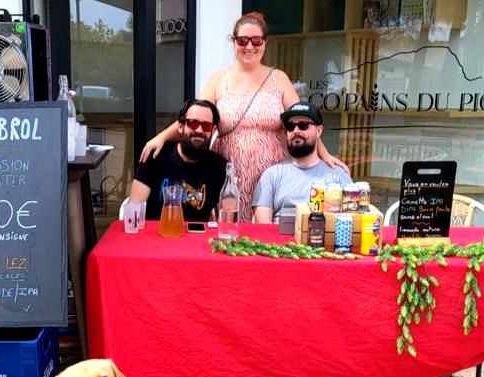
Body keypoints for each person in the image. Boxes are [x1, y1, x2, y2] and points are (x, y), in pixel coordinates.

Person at [140, 11, 347, 222]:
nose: (249, 46)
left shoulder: (279, 78)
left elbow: (302, 122)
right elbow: (196, 119)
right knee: (230, 232)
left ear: (264, 43)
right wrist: (162, 137)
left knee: (264, 235)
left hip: (271, 173)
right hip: (230, 173)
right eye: (242, 40)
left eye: (256, 40)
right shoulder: (219, 79)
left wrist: (325, 155)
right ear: (233, 42)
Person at [252, 102, 352, 224]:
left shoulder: (338, 176)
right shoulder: (271, 175)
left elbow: (353, 222)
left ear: (319, 131)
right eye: (290, 126)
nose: (296, 131)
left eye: (303, 125)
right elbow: (262, 225)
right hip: (278, 241)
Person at [129, 99, 227, 222]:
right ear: (180, 127)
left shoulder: (220, 167)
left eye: (206, 126)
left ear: (212, 131)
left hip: (197, 239)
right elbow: (134, 211)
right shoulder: (155, 156)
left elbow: (229, 218)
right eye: (193, 123)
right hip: (155, 237)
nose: (199, 130)